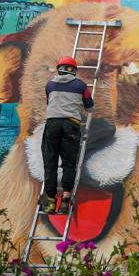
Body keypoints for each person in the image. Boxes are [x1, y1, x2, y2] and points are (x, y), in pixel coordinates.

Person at [42, 56, 94, 214]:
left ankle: (50, 202)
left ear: (59, 69)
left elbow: (49, 102)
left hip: (52, 124)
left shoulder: (50, 85)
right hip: (71, 124)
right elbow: (90, 105)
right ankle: (65, 201)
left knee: (50, 162)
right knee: (69, 163)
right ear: (74, 70)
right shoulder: (81, 85)